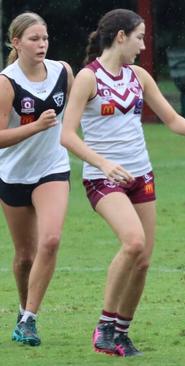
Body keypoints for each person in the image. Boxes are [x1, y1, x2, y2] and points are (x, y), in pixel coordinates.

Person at [60, 9, 185, 356]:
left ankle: (122, 332)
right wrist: (104, 163)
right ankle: (104, 327)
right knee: (132, 242)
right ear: (120, 37)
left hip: (141, 175)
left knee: (143, 258)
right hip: (103, 178)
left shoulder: (139, 76)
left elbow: (171, 119)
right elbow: (67, 136)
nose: (143, 45)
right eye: (140, 37)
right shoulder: (88, 78)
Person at [0, 12, 73, 347]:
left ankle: (29, 319)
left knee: (52, 240)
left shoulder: (62, 71)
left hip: (52, 167)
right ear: (16, 42)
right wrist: (35, 126)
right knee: (25, 257)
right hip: (13, 174)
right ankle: (22, 306)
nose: (41, 44)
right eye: (33, 39)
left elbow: (75, 114)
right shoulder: (6, 82)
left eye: (44, 38)